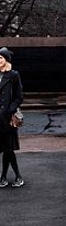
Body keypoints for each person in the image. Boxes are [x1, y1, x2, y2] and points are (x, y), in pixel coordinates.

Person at [0, 47, 24, 188]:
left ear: (6, 60)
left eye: (1, 58)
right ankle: (10, 177)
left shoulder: (13, 75)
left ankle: (11, 177)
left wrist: (10, 109)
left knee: (8, 150)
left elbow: (19, 97)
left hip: (7, 118)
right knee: (5, 149)